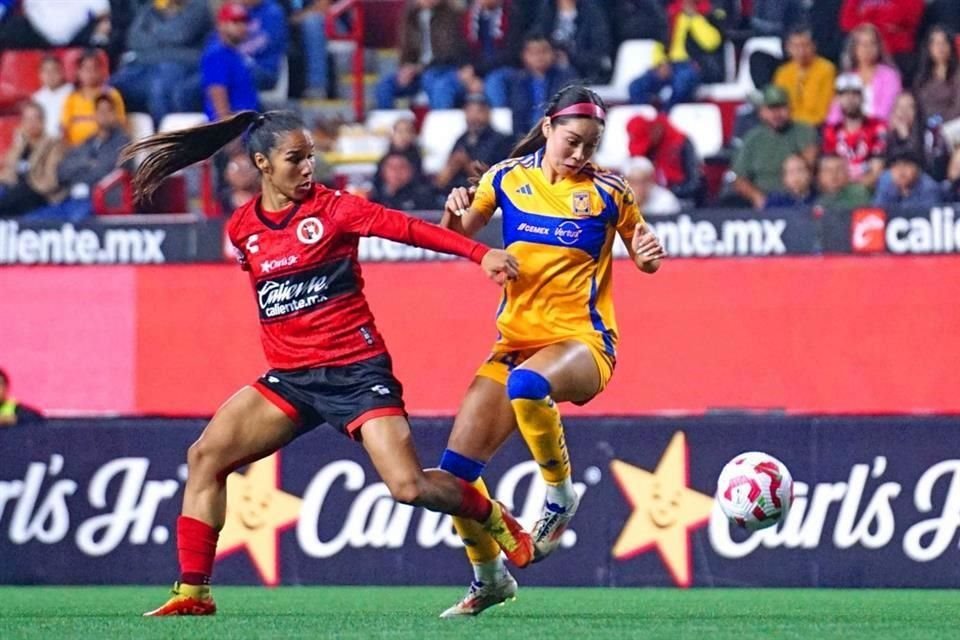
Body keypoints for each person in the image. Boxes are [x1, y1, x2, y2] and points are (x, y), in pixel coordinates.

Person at [123, 110, 533, 616]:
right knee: (206, 456)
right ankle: (192, 593)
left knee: (408, 487)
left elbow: (407, 229)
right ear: (262, 164)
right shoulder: (242, 226)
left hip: (357, 373)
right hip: (292, 380)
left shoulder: (336, 209)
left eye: (311, 156)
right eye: (295, 158)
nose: (308, 167)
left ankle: (493, 516)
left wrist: (478, 254)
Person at [437, 85, 666, 617]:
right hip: (515, 343)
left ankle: (560, 496)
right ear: (547, 128)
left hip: (584, 344)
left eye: (591, 145)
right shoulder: (505, 179)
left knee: (528, 385)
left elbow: (645, 252)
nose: (581, 155)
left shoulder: (610, 191)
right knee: (453, 479)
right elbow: (454, 239)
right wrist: (451, 214)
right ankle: (489, 579)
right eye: (572, 141)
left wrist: (651, 255)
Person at [23, 94, 130, 221]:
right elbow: (62, 170)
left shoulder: (123, 142)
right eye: (100, 111)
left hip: (98, 200)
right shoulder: (88, 142)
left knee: (73, 224)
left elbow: (104, 169)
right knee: (32, 220)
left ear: (115, 115)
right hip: (71, 198)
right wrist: (87, 163)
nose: (103, 115)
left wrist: (81, 171)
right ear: (94, 114)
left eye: (108, 111)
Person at [110, 0, 211, 125]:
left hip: (183, 64)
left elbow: (179, 34)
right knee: (114, 85)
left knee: (159, 88)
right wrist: (163, 40)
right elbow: (133, 37)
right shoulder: (152, 7)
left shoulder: (199, 6)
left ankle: (162, 136)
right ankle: (114, 138)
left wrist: (151, 31)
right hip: (146, 63)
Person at [730, 85, 818, 209]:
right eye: (771, 109)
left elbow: (810, 167)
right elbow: (739, 177)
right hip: (765, 200)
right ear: (762, 112)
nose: (777, 114)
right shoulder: (752, 138)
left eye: (781, 107)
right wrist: (758, 198)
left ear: (790, 108)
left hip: (799, 198)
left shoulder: (804, 131)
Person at [628, 0, 723, 109]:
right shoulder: (670, 15)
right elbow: (660, 43)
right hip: (669, 65)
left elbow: (712, 43)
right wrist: (661, 63)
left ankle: (665, 116)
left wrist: (694, 17)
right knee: (636, 87)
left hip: (693, 65)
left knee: (682, 81)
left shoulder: (706, 13)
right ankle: (646, 117)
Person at [374, 0, 467, 110]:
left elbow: (449, 52)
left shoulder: (450, 14)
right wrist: (406, 67)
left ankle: (439, 122)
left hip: (445, 68)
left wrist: (419, 68)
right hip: (417, 71)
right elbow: (406, 47)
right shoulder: (410, 14)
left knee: (436, 84)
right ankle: (390, 124)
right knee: (384, 87)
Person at [434, 94, 513, 192]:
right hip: (457, 194)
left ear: (488, 113)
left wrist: (466, 163)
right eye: (469, 111)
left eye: (478, 111)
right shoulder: (461, 140)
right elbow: (442, 179)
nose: (473, 116)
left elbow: (494, 180)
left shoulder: (501, 141)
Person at [827, 23, 901, 125]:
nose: (867, 49)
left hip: (878, 131)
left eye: (872, 44)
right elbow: (835, 113)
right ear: (854, 48)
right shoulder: (846, 78)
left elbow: (886, 110)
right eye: (863, 44)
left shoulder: (890, 76)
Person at [822, 73, 887, 190]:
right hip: (839, 191)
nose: (850, 98)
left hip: (869, 191)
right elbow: (828, 171)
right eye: (844, 94)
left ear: (863, 97)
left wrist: (855, 191)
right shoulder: (831, 131)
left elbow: (877, 171)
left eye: (855, 93)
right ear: (837, 99)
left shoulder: (877, 126)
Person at [0, 101, 64, 217]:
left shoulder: (53, 144)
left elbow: (51, 179)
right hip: (15, 189)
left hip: (37, 191)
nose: (32, 123)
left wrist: (33, 185)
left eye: (35, 119)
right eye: (27, 120)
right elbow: (8, 169)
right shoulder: (21, 145)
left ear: (43, 121)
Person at [200, 2, 261, 122]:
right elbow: (219, 100)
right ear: (221, 25)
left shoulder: (237, 54)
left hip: (249, 125)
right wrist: (230, 134)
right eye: (235, 22)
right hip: (235, 131)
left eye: (244, 21)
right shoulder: (216, 54)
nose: (242, 27)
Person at [626, 111, 704, 203]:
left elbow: (693, 183)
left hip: (680, 199)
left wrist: (668, 193)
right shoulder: (648, 150)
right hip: (648, 199)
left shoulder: (682, 144)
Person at [505, 35, 576, 135]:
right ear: (524, 55)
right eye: (533, 53)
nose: (539, 57)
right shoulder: (518, 80)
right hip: (528, 135)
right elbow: (518, 115)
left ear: (553, 53)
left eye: (544, 52)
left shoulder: (565, 77)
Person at [773, 25, 837, 127]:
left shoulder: (826, 69)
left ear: (814, 46)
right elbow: (779, 108)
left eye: (805, 45)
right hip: (787, 129)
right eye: (796, 46)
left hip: (816, 128)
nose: (801, 51)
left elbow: (824, 111)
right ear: (788, 48)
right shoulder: (783, 73)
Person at [61, 49, 126, 147]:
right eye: (86, 69)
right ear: (79, 72)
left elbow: (120, 125)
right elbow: (64, 128)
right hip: (76, 150)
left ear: (101, 71)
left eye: (94, 69)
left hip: (106, 148)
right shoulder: (71, 98)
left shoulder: (111, 94)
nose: (90, 73)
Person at [913, 26, 960, 148]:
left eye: (944, 43)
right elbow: (921, 107)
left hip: (954, 125)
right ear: (929, 48)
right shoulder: (922, 79)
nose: (940, 47)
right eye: (936, 43)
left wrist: (941, 122)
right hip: (928, 127)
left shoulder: (957, 74)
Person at [370, 151, 438, 210]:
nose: (396, 171)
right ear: (382, 171)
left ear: (411, 171)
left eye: (402, 167)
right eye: (392, 167)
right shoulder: (373, 197)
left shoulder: (424, 198)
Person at [872, 150, 943, 207]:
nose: (901, 171)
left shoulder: (929, 188)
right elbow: (878, 212)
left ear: (917, 169)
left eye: (906, 165)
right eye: (895, 166)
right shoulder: (885, 182)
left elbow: (926, 216)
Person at [31, 55, 72, 139]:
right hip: (43, 143)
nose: (50, 75)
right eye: (46, 71)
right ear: (40, 74)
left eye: (54, 70)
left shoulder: (72, 92)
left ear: (62, 72)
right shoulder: (37, 98)